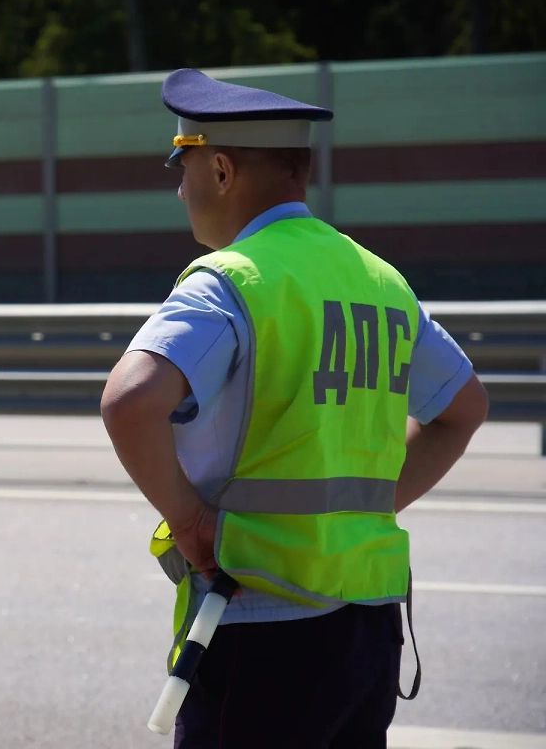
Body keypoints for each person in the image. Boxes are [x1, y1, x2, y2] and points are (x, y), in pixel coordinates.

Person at [100, 68, 490, 748]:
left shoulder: (232, 280)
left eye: (183, 167)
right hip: (368, 631)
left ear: (220, 170)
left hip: (258, 622)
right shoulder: (379, 280)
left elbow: (130, 401)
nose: (179, 187)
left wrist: (189, 520)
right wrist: (366, 507)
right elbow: (464, 410)